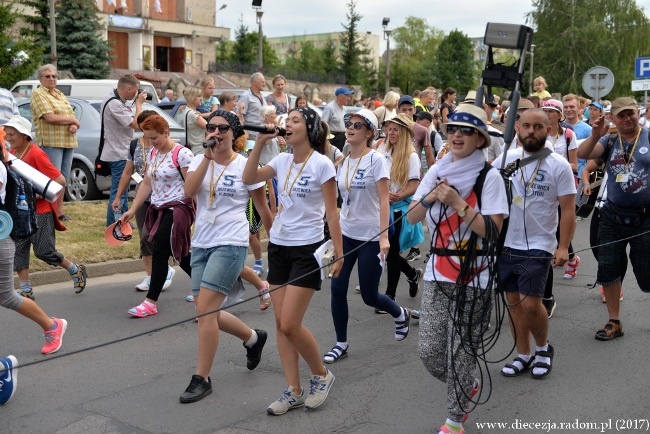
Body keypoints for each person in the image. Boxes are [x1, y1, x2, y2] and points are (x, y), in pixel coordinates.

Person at [408, 104, 508, 434]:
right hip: (437, 274)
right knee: (429, 352)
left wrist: (457, 203)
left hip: (475, 277)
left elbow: (492, 233)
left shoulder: (489, 177)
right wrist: (429, 198)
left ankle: (454, 421)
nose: (456, 135)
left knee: (460, 353)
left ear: (480, 139)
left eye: (465, 131)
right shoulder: (437, 170)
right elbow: (411, 217)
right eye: (452, 129)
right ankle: (467, 386)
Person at [243, 106, 343, 415]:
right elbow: (249, 178)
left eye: (295, 121)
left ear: (309, 129)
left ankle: (321, 375)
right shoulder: (281, 159)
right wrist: (259, 142)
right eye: (287, 122)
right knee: (279, 324)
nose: (288, 125)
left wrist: (338, 252)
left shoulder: (322, 164)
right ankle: (293, 390)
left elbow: (332, 211)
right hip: (280, 248)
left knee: (290, 322)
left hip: (307, 250)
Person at [178, 110, 273, 403]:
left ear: (233, 133)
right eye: (211, 128)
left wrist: (279, 242)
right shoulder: (199, 159)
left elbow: (262, 206)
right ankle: (253, 338)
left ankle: (201, 378)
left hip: (231, 242)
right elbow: (188, 192)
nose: (215, 133)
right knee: (205, 311)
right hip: (202, 242)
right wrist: (206, 158)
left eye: (221, 129)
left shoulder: (245, 165)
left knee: (205, 310)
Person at [325, 109, 412, 365]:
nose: (350, 128)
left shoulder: (376, 160)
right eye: (348, 124)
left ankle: (399, 312)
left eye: (357, 125)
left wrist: (384, 237)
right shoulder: (342, 162)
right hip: (346, 234)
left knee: (369, 295)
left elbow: (385, 200)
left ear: (370, 133)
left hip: (372, 236)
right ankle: (341, 343)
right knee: (337, 289)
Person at [495, 108, 576, 380]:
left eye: (538, 127)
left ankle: (543, 349)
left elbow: (567, 210)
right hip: (506, 242)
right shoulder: (506, 159)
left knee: (531, 303)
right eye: (526, 125)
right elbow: (484, 186)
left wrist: (563, 246)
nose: (531, 131)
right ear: (517, 128)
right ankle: (523, 354)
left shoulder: (559, 165)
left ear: (548, 130)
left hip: (540, 244)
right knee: (514, 302)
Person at [578, 97, 650, 341]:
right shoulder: (608, 140)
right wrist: (594, 133)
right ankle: (614, 321)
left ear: (638, 112)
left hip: (646, 218)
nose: (627, 118)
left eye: (630, 113)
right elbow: (583, 154)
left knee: (648, 271)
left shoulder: (648, 137)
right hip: (612, 215)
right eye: (621, 115)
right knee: (608, 268)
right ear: (613, 118)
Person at [3, 115, 87, 299]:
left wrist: (38, 194)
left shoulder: (36, 153)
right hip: (22, 212)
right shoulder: (15, 154)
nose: (8, 138)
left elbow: (60, 180)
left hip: (40, 211)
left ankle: (75, 269)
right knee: (19, 249)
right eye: (6, 134)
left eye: (12, 134)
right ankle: (26, 290)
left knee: (44, 251)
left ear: (25, 135)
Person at [119, 115, 194, 317]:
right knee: (180, 252)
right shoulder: (153, 153)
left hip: (178, 208)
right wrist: (132, 209)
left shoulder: (183, 154)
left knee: (160, 251)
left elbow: (192, 187)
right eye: (148, 138)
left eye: (155, 138)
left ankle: (150, 302)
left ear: (166, 133)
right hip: (158, 208)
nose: (151, 142)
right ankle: (203, 286)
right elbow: (146, 183)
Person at [0, 129, 67, 355]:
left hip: (2, 239)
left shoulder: (1, 167)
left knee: (7, 295)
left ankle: (52, 326)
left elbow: (59, 179)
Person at [112, 110, 175, 293]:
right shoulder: (135, 145)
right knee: (145, 237)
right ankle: (151, 275)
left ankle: (164, 268)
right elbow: (128, 172)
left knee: (159, 237)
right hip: (143, 196)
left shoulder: (168, 147)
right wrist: (118, 196)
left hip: (163, 199)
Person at [376, 113, 423, 309]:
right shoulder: (382, 150)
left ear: (404, 132)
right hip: (383, 206)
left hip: (399, 208)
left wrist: (400, 195)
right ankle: (413, 274)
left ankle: (390, 296)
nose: (391, 132)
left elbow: (414, 185)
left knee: (392, 252)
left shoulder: (411, 156)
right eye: (389, 128)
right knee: (389, 253)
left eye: (395, 129)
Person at [30, 64, 80, 222]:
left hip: (68, 141)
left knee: (64, 178)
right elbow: (49, 117)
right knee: (52, 178)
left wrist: (73, 125)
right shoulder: (39, 94)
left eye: (54, 76)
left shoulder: (59, 94)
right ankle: (47, 211)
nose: (52, 79)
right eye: (48, 76)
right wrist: (71, 120)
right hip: (51, 142)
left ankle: (60, 212)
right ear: (40, 79)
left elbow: (71, 115)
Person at [100, 74, 147, 227]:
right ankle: (115, 224)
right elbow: (136, 124)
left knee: (126, 187)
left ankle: (123, 219)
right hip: (118, 153)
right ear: (128, 88)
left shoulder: (114, 98)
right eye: (136, 90)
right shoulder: (114, 104)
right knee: (118, 191)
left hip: (121, 152)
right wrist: (139, 104)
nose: (137, 93)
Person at [179, 85, 208, 155]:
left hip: (193, 148)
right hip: (200, 149)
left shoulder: (185, 110)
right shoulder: (193, 114)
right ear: (192, 97)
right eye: (199, 96)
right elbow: (209, 127)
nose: (201, 98)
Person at [238, 73, 267, 140]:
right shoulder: (246, 96)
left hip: (262, 132)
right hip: (251, 134)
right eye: (262, 82)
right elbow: (239, 115)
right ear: (255, 82)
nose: (264, 84)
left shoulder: (262, 96)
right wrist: (244, 131)